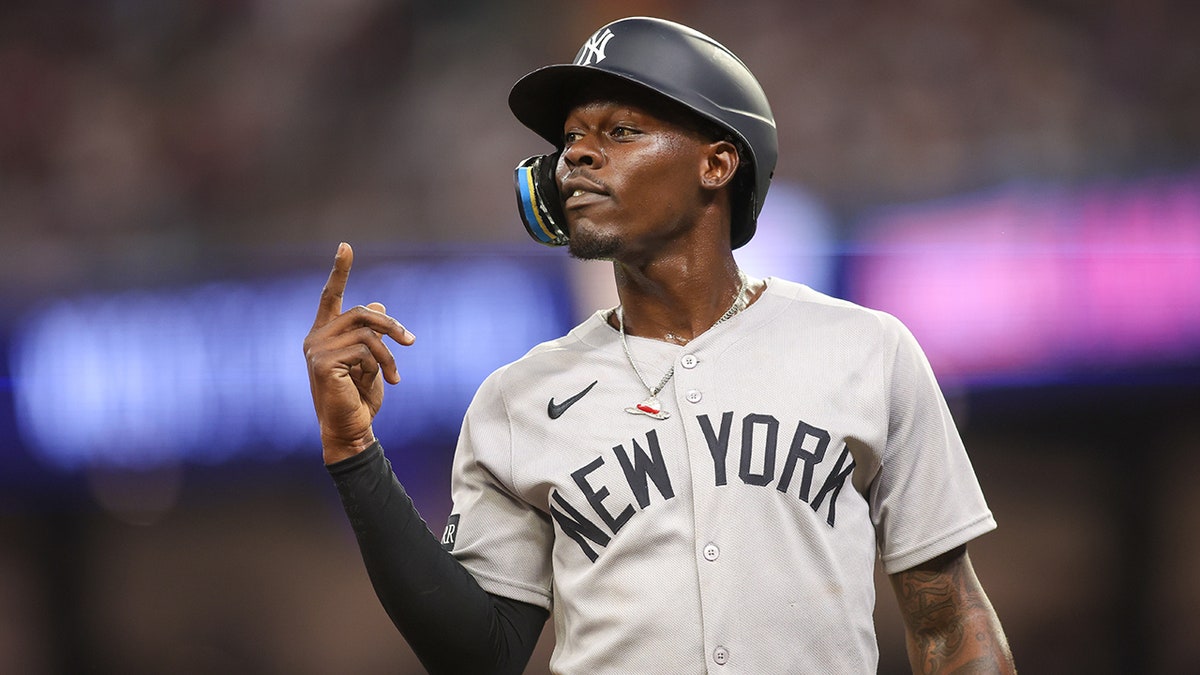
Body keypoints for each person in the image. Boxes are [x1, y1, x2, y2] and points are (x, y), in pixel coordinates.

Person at [304, 16, 1016, 674]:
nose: (577, 153)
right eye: (571, 138)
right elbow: (478, 657)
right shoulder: (518, 399)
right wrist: (354, 453)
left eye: (619, 132)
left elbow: (947, 618)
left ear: (716, 164)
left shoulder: (866, 351)